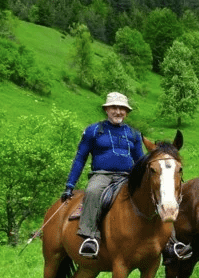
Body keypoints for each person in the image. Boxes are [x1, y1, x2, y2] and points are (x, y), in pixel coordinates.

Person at [61, 92, 145, 257]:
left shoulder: (134, 134)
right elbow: (80, 158)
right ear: (106, 110)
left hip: (127, 176)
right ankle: (90, 237)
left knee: (153, 195)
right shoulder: (93, 131)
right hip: (102, 175)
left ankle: (170, 242)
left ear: (126, 112)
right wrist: (70, 185)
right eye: (114, 107)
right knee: (93, 191)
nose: (118, 111)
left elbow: (140, 161)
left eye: (122, 108)